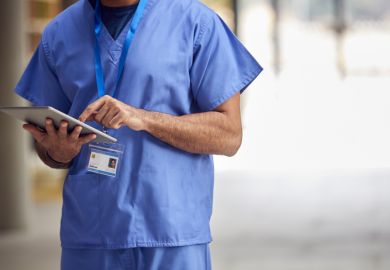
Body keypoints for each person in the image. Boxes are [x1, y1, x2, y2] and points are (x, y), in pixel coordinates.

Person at [16, 0, 263, 269]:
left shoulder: (195, 23)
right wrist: (58, 152)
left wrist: (144, 119)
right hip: (91, 234)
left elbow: (229, 135)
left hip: (170, 234)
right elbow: (49, 147)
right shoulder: (59, 33)